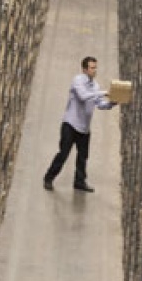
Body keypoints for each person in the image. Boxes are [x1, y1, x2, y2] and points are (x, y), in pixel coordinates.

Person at [44, 56, 115, 192]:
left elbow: (100, 105)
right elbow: (83, 96)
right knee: (63, 154)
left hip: (84, 129)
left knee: (83, 157)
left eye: (96, 68)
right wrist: (104, 92)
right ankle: (49, 177)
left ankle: (79, 182)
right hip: (70, 125)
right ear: (84, 69)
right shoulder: (77, 81)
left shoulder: (95, 86)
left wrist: (113, 102)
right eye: (92, 68)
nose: (95, 71)